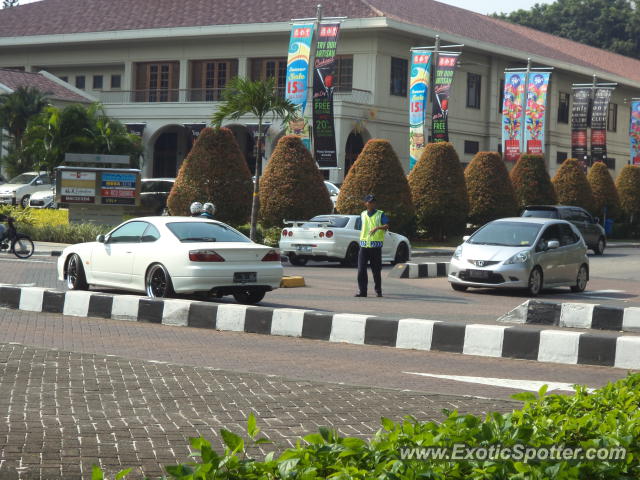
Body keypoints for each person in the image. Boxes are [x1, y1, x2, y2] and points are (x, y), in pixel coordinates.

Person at [355, 194, 389, 298]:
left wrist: (377, 228)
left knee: (376, 270)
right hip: (364, 246)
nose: (372, 203)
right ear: (365, 203)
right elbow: (360, 228)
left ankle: (378, 291)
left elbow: (387, 226)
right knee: (361, 270)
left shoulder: (380, 214)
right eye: (370, 202)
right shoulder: (362, 214)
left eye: (373, 201)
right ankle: (363, 292)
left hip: (375, 247)